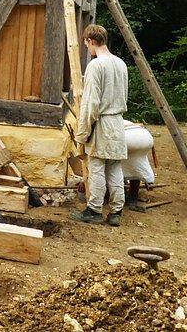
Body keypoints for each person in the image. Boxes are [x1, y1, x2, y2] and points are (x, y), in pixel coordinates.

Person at [70, 24, 128, 227]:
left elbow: (91, 104)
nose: (88, 48)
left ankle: (94, 210)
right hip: (117, 123)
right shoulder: (121, 64)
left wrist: (83, 133)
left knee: (96, 168)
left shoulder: (96, 65)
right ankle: (116, 212)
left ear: (90, 41)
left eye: (87, 44)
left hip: (102, 123)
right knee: (114, 168)